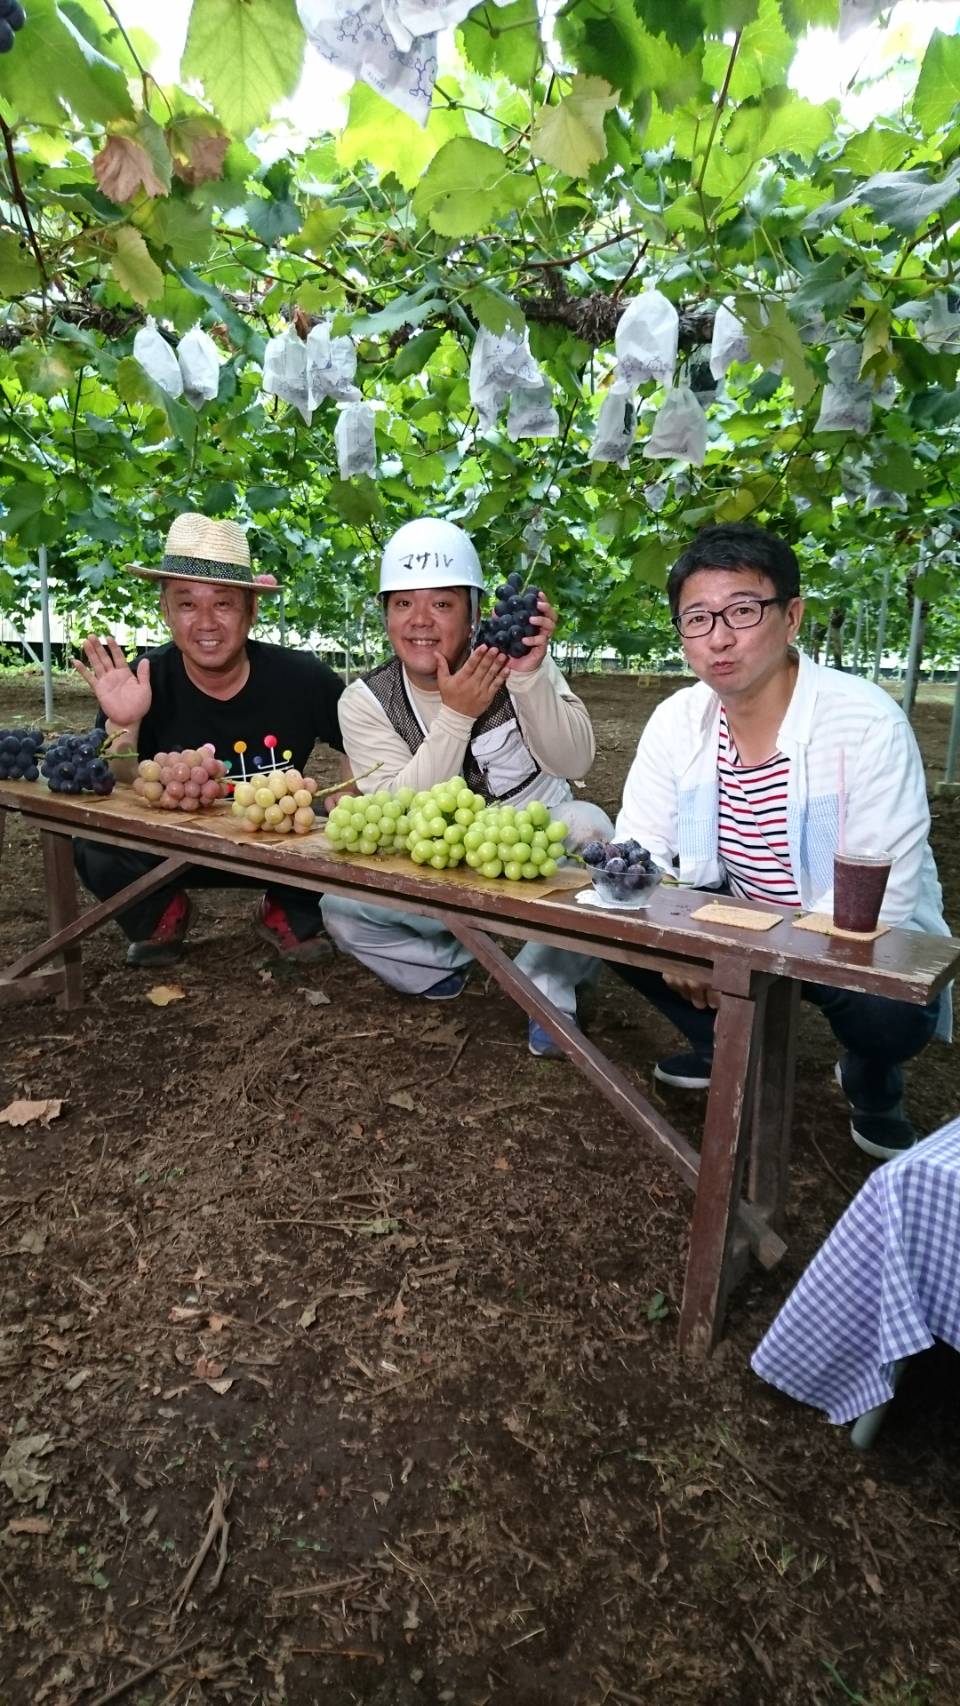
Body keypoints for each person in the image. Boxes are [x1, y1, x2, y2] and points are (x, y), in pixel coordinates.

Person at [613, 521, 949, 1160]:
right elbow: (639, 850)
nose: (720, 637)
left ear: (791, 616)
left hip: (844, 930)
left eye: (742, 610)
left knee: (890, 1013)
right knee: (611, 924)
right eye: (697, 619)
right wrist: (678, 942)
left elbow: (885, 900)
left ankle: (872, 1079)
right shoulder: (677, 721)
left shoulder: (867, 723)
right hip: (735, 908)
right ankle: (726, 1043)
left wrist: (736, 958)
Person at [320, 517, 612, 1055]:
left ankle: (545, 982)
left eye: (442, 604)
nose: (420, 622)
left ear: (475, 611)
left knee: (596, 834)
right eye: (403, 604)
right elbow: (393, 809)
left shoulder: (515, 656)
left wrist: (528, 677)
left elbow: (575, 758)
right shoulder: (365, 700)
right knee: (341, 909)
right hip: (437, 856)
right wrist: (456, 717)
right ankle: (449, 965)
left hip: (538, 838)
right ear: (385, 615)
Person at [73, 512, 348, 967]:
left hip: (274, 844)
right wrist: (125, 725)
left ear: (251, 610)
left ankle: (288, 907)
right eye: (186, 605)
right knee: (93, 841)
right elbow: (116, 780)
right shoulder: (141, 680)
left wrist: (351, 790)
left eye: (223, 604)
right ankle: (161, 911)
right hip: (172, 849)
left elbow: (360, 741)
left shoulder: (303, 678)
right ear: (165, 611)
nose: (206, 622)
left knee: (343, 827)